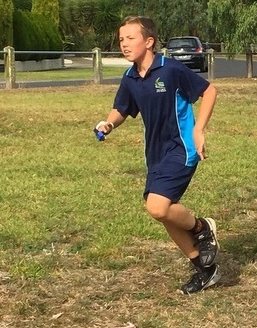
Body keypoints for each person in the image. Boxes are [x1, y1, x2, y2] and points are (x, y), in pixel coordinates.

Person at [94, 16, 221, 294]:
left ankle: (202, 228)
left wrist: (199, 129)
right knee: (164, 213)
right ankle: (205, 270)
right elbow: (122, 109)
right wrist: (109, 123)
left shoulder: (171, 70)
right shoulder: (130, 78)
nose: (124, 44)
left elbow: (209, 91)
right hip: (155, 154)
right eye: (121, 40)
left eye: (130, 38)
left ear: (149, 42)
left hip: (182, 148)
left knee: (158, 207)